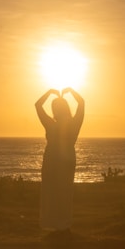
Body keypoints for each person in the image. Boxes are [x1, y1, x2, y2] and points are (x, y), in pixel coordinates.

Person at [35, 87, 85, 231]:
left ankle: (51, 222)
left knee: (50, 191)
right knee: (65, 190)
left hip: (52, 158)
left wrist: (50, 92)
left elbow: (37, 105)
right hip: (68, 158)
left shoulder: (50, 124)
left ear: (55, 110)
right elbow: (81, 103)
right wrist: (71, 91)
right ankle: (64, 223)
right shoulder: (75, 123)